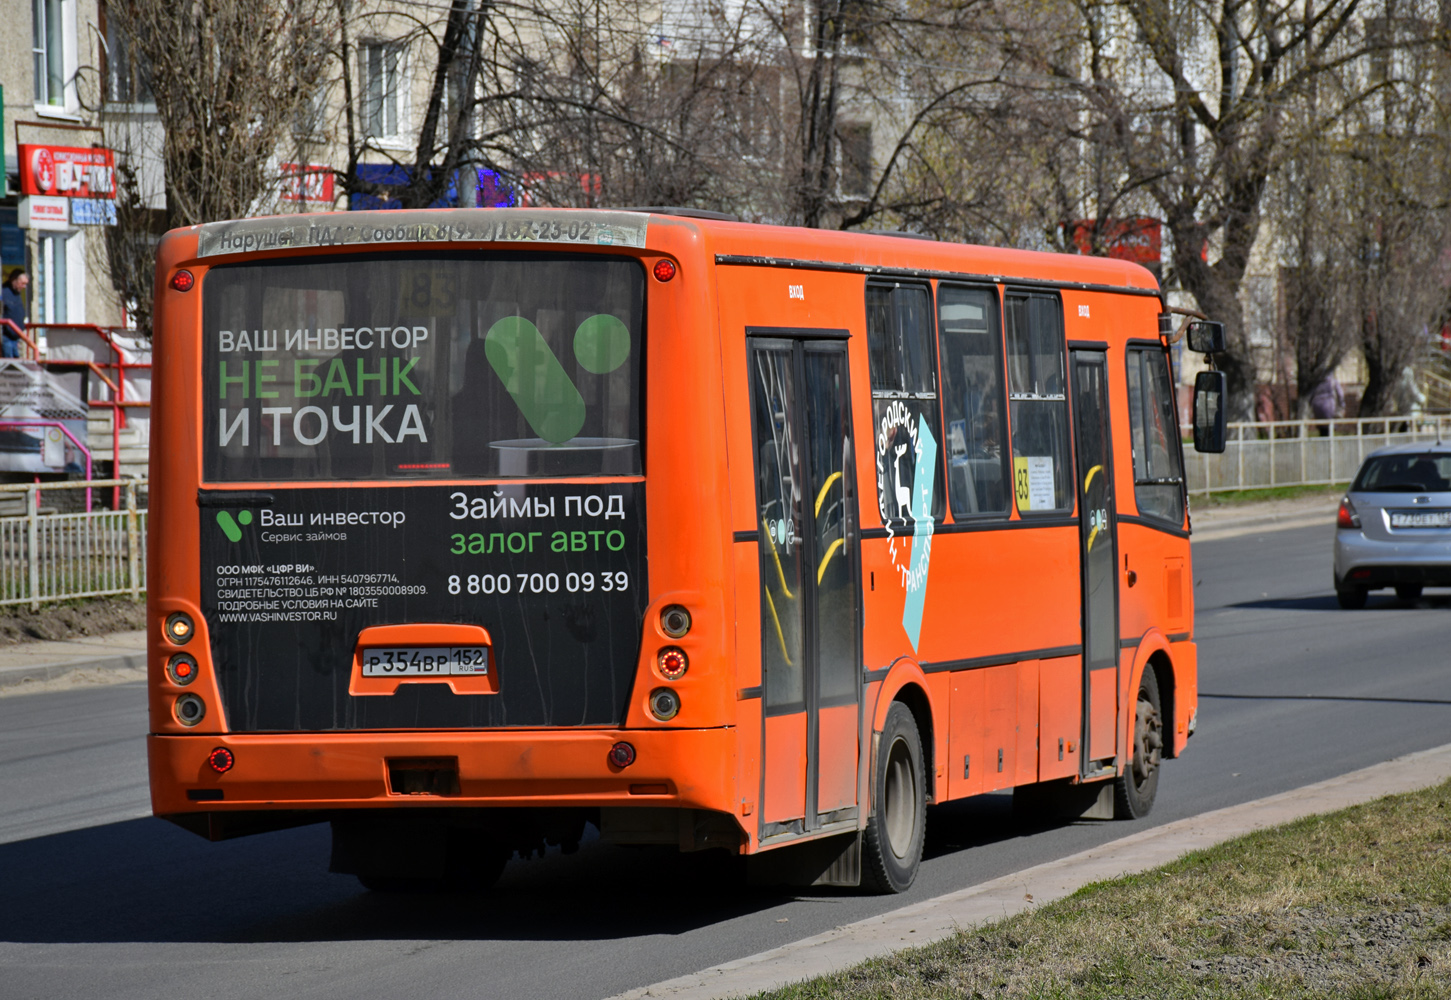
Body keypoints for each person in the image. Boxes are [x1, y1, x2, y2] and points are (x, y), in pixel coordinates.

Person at [1, 269, 29, 359]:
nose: (24, 287)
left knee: (17, 363)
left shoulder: (16, 292)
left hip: (16, 337)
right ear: (14, 280)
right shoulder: (4, 292)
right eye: (22, 283)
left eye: (25, 284)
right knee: (9, 365)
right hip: (6, 337)